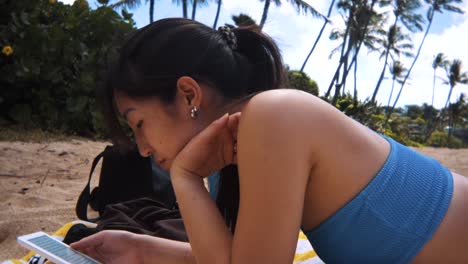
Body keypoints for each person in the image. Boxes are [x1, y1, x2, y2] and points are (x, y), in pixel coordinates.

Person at [71, 18, 468, 263]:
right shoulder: (235, 151)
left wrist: (185, 177)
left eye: (138, 123)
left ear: (189, 95)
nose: (141, 147)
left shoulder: (272, 117)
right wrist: (142, 250)